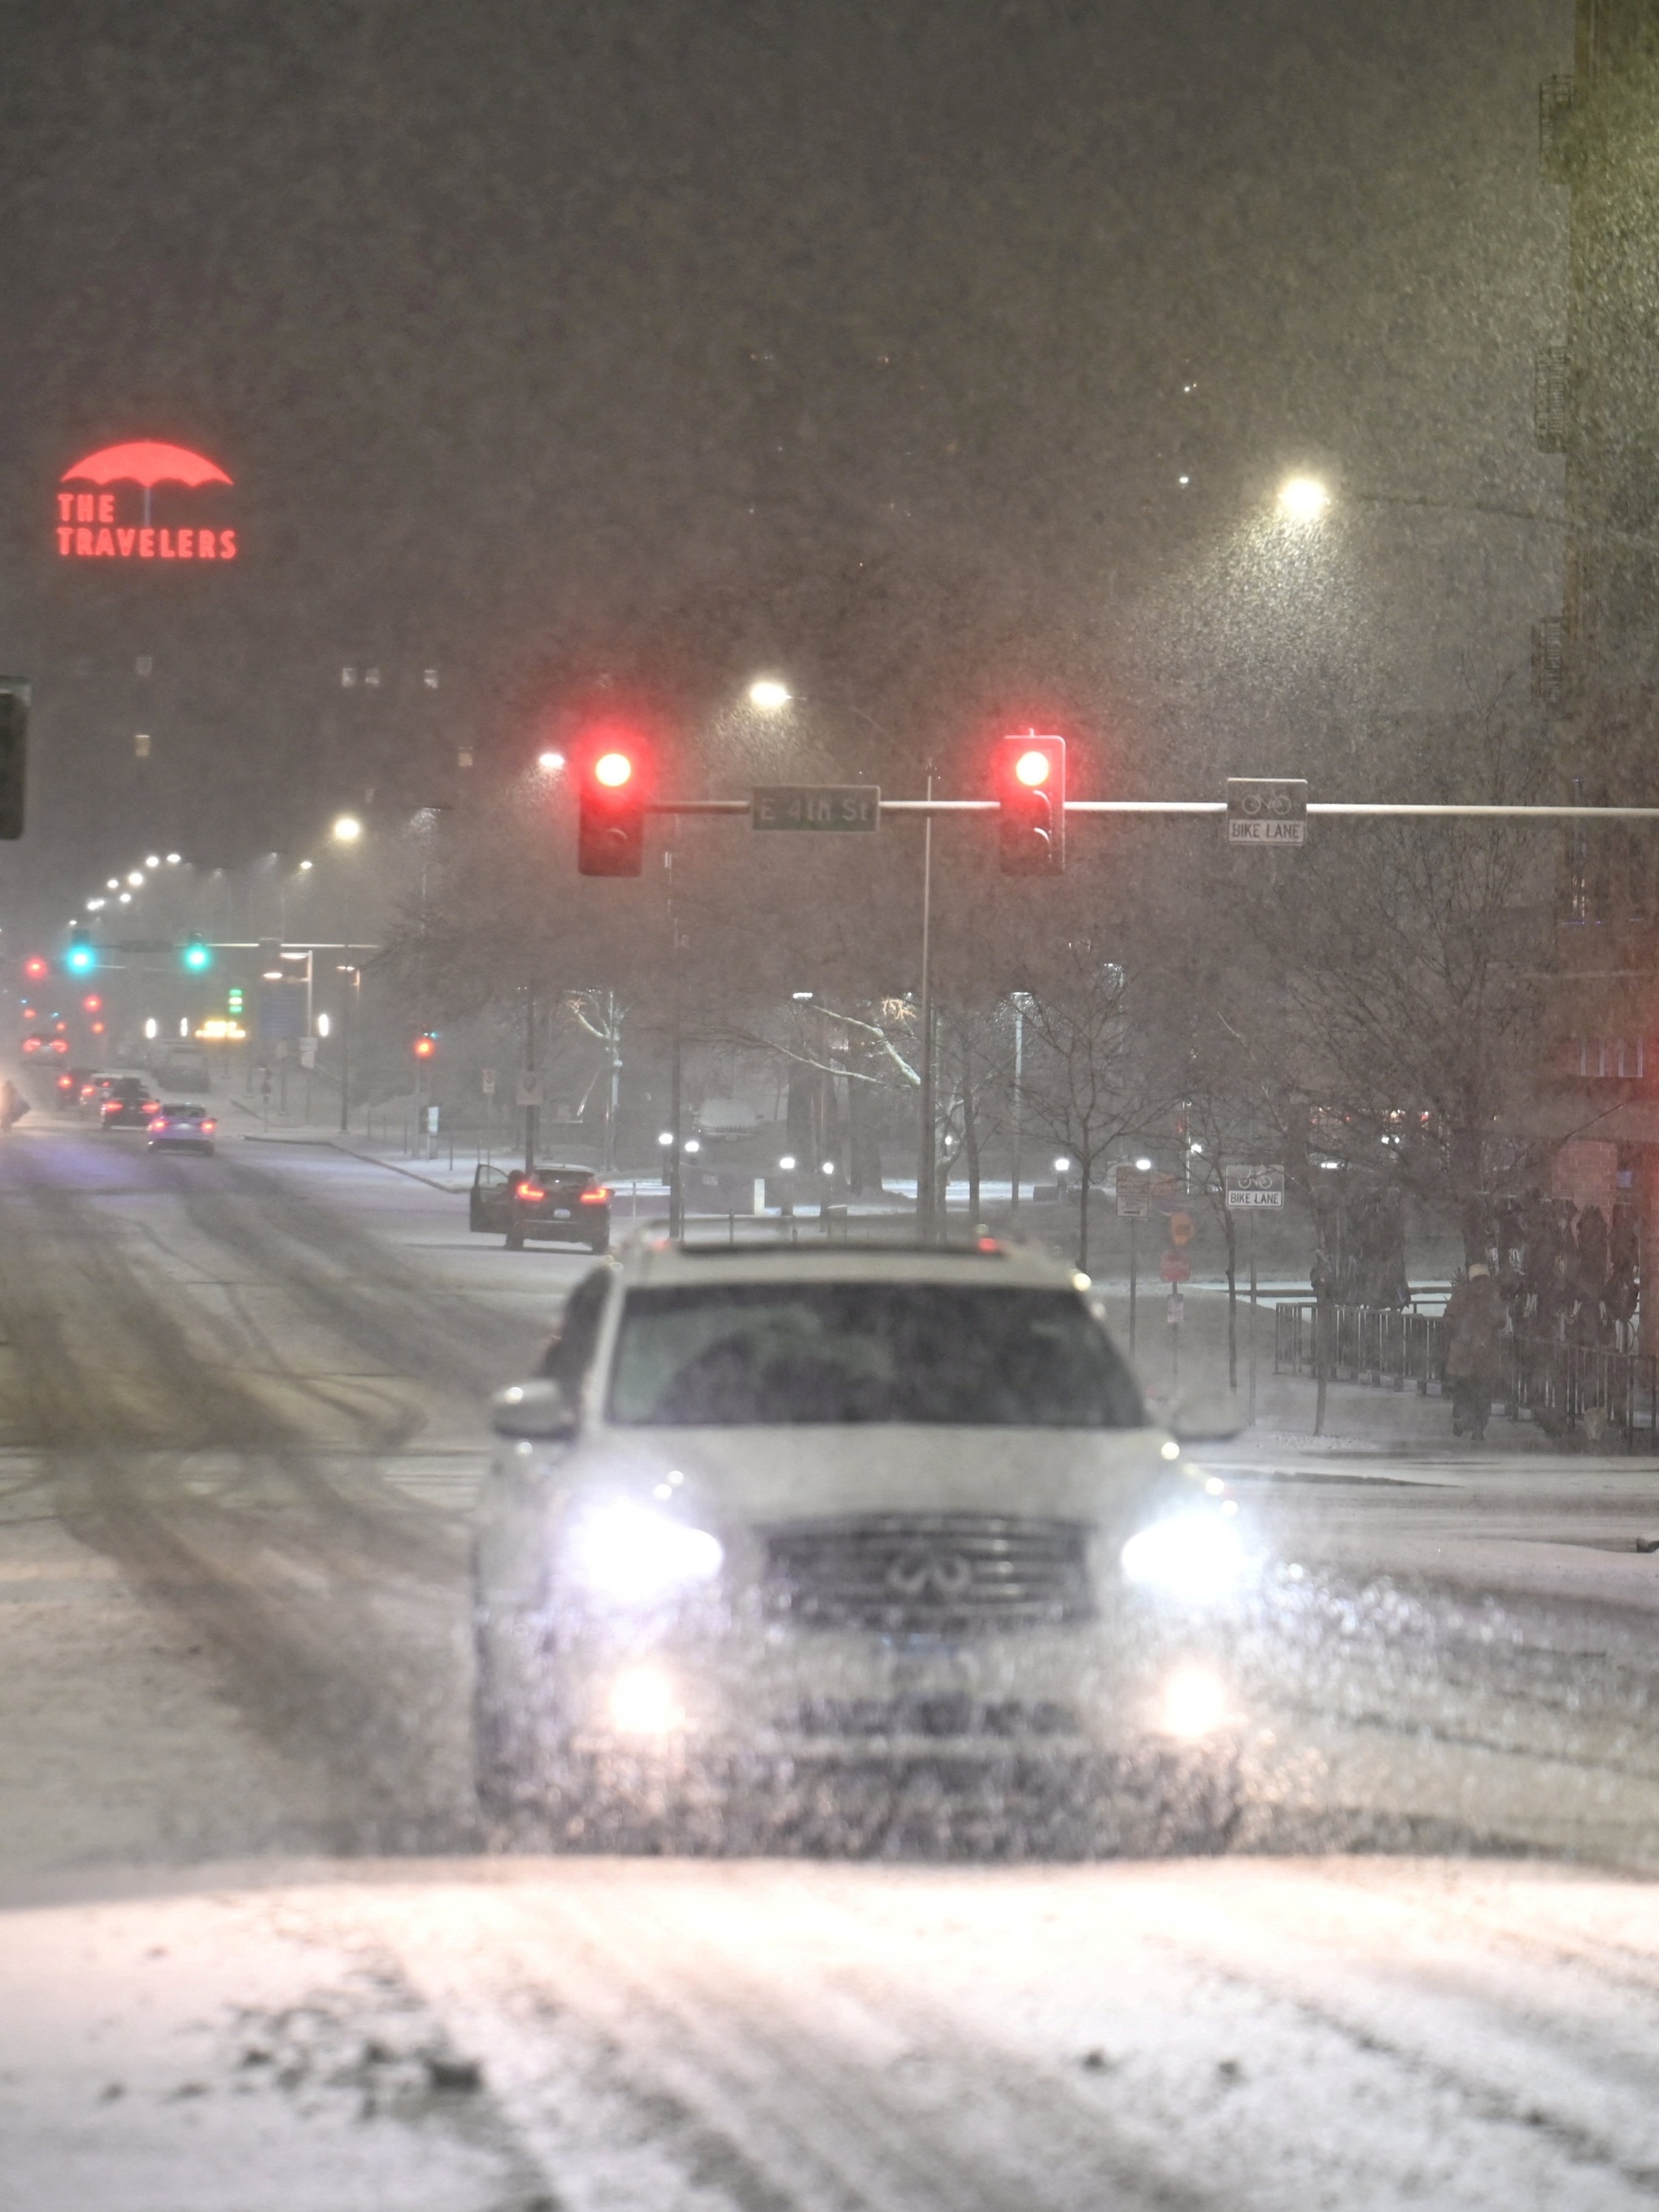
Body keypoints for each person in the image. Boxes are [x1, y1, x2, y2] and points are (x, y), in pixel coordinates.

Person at [1443, 1262, 1504, 1440]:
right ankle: (1473, 1425)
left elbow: (1449, 1319)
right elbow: (1500, 1320)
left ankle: (1467, 1423)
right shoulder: (1487, 1297)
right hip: (1477, 1358)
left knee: (1470, 1394)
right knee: (1478, 1396)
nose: (1481, 1285)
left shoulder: (1465, 1296)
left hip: (1471, 1359)